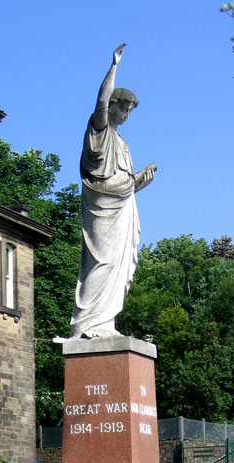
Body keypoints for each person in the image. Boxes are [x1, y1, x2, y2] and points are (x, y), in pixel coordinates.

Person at [69, 43, 157, 339]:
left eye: (130, 111)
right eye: (124, 107)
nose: (127, 114)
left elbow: (125, 182)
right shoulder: (100, 130)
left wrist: (141, 179)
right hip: (102, 208)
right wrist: (114, 67)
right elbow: (100, 101)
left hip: (122, 208)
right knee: (103, 260)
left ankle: (104, 322)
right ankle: (86, 324)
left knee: (119, 264)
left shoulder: (122, 143)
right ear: (113, 105)